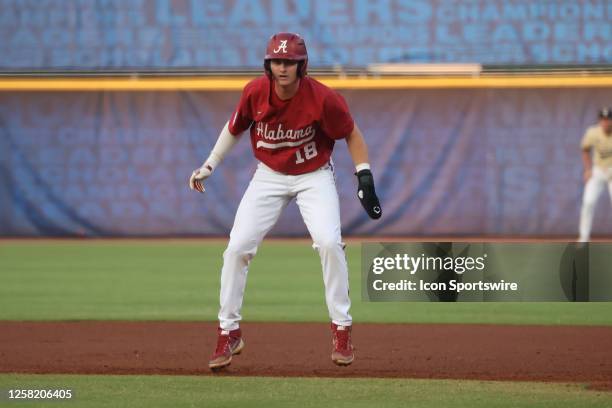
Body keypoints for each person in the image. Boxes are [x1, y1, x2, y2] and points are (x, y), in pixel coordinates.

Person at [188, 32, 382, 370]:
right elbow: (234, 127)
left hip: (314, 174)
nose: (282, 68)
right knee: (237, 249)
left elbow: (351, 133)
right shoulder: (255, 92)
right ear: (268, 64)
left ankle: (342, 329)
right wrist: (209, 164)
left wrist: (363, 174)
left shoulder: (323, 98)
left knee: (328, 243)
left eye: (289, 62)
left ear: (301, 65)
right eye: (277, 61)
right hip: (269, 175)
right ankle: (228, 331)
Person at [578, 107, 612, 242]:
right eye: (603, 119)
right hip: (598, 170)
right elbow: (585, 149)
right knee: (588, 202)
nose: (606, 122)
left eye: (608, 119)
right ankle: (584, 238)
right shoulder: (593, 132)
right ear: (599, 120)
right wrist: (587, 169)